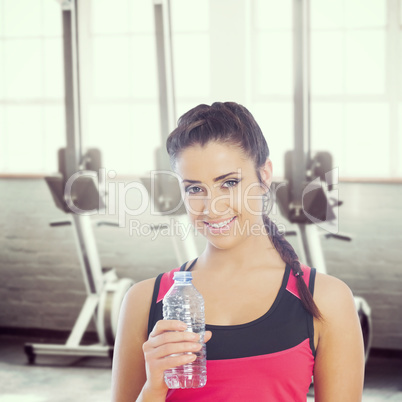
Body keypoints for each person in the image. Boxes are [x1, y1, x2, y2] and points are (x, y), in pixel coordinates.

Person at [111, 102, 365, 401]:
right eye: (194, 189)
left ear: (265, 174)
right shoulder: (144, 301)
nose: (212, 206)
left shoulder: (326, 299)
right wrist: (154, 387)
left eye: (229, 183)